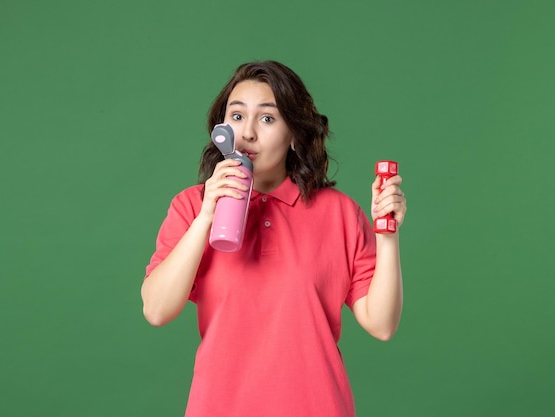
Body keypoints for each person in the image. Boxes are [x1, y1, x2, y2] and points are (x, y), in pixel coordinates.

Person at [141, 60, 407, 417]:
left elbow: (382, 324)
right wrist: (207, 214)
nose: (247, 133)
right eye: (236, 116)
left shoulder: (338, 212)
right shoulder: (190, 205)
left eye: (267, 118)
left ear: (295, 134)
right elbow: (157, 310)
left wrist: (386, 235)